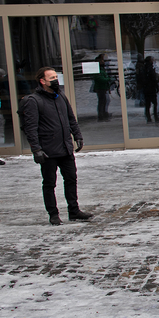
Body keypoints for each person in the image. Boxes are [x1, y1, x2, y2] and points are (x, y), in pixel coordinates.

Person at [21, 67, 93, 225]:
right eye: (51, 77)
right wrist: (36, 149)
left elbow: (70, 118)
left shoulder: (60, 96)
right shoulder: (34, 101)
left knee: (71, 179)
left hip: (65, 147)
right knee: (49, 183)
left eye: (56, 76)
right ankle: (53, 213)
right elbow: (30, 128)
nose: (55, 80)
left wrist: (77, 136)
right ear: (42, 81)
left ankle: (74, 210)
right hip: (48, 150)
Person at [90, 54, 113, 121]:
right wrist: (108, 79)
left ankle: (103, 113)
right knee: (102, 101)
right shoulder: (98, 69)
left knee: (104, 101)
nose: (103, 61)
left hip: (103, 87)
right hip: (100, 87)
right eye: (102, 60)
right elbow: (99, 78)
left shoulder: (102, 68)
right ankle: (101, 115)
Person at [139, 56, 159, 123]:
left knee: (147, 104)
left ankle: (148, 118)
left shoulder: (144, 68)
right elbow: (153, 79)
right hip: (151, 89)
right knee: (155, 103)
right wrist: (156, 86)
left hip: (146, 89)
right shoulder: (150, 69)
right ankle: (156, 117)